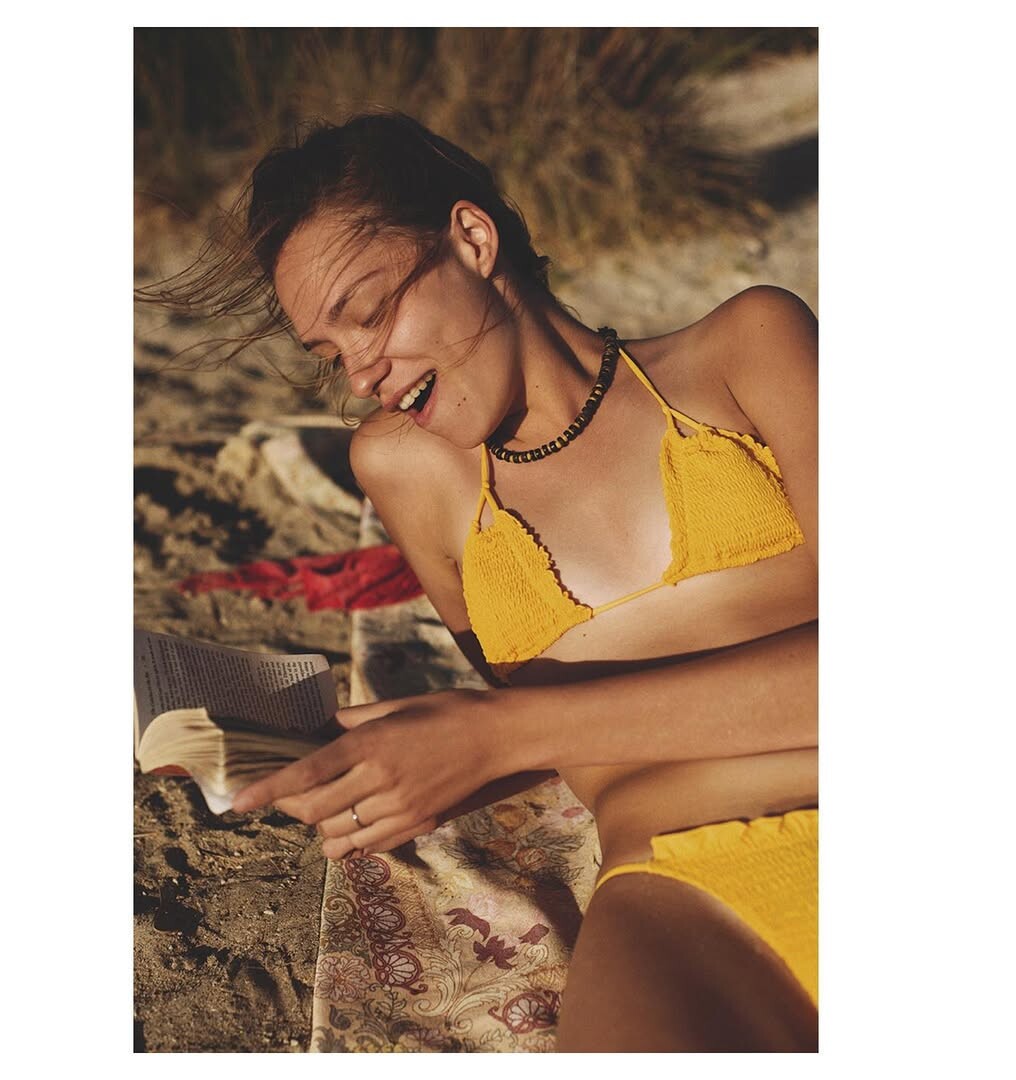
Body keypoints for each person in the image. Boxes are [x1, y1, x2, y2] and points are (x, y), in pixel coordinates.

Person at [145, 110, 818, 1051]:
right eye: (331, 355)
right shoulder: (407, 471)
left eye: (368, 314)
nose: (362, 373)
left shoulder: (746, 348)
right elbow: (564, 726)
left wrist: (495, 731)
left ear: (471, 237)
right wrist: (384, 756)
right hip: (680, 904)